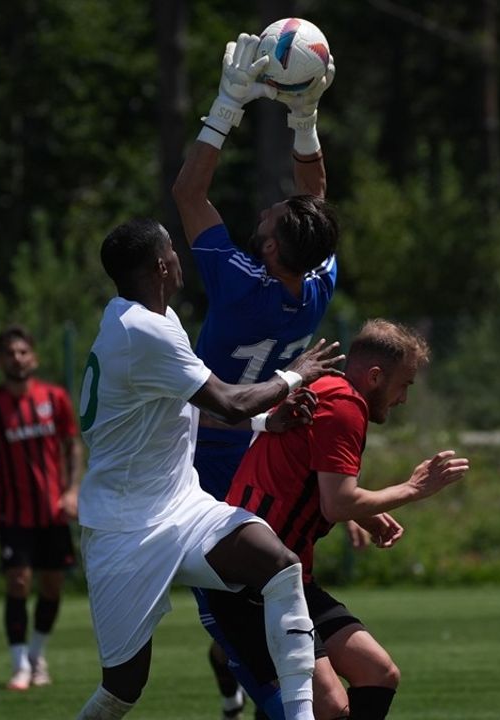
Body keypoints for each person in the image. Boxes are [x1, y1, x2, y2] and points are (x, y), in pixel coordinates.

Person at [70, 218, 344, 720]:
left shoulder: (153, 317)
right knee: (122, 690)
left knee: (278, 564)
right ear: (160, 265)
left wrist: (266, 422)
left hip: (183, 506)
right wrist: (294, 375)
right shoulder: (141, 330)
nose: (180, 258)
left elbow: (194, 407)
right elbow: (228, 400)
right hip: (124, 529)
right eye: (173, 250)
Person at [171, 30, 346, 720]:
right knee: (282, 617)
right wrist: (304, 118)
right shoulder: (316, 288)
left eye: (271, 217)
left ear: (270, 247)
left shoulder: (242, 285)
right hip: (265, 458)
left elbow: (189, 192)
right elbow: (317, 199)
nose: (266, 208)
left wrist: (227, 104)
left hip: (203, 463)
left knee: (244, 633)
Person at [207, 319, 471, 720]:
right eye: (404, 385)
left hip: (284, 577)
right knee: (328, 706)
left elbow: (314, 479)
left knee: (379, 673)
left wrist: (366, 515)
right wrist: (413, 489)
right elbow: (338, 502)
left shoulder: (327, 390)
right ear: (376, 376)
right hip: (251, 579)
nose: (403, 399)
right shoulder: (346, 405)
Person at [0, 325, 83, 690]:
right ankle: (19, 664)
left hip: (52, 512)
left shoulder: (55, 398)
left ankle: (37, 654)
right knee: (18, 582)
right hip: (13, 514)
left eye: (22, 352)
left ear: (33, 357)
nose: (16, 359)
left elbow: (72, 446)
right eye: (9, 353)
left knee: (52, 586)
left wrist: (72, 491)